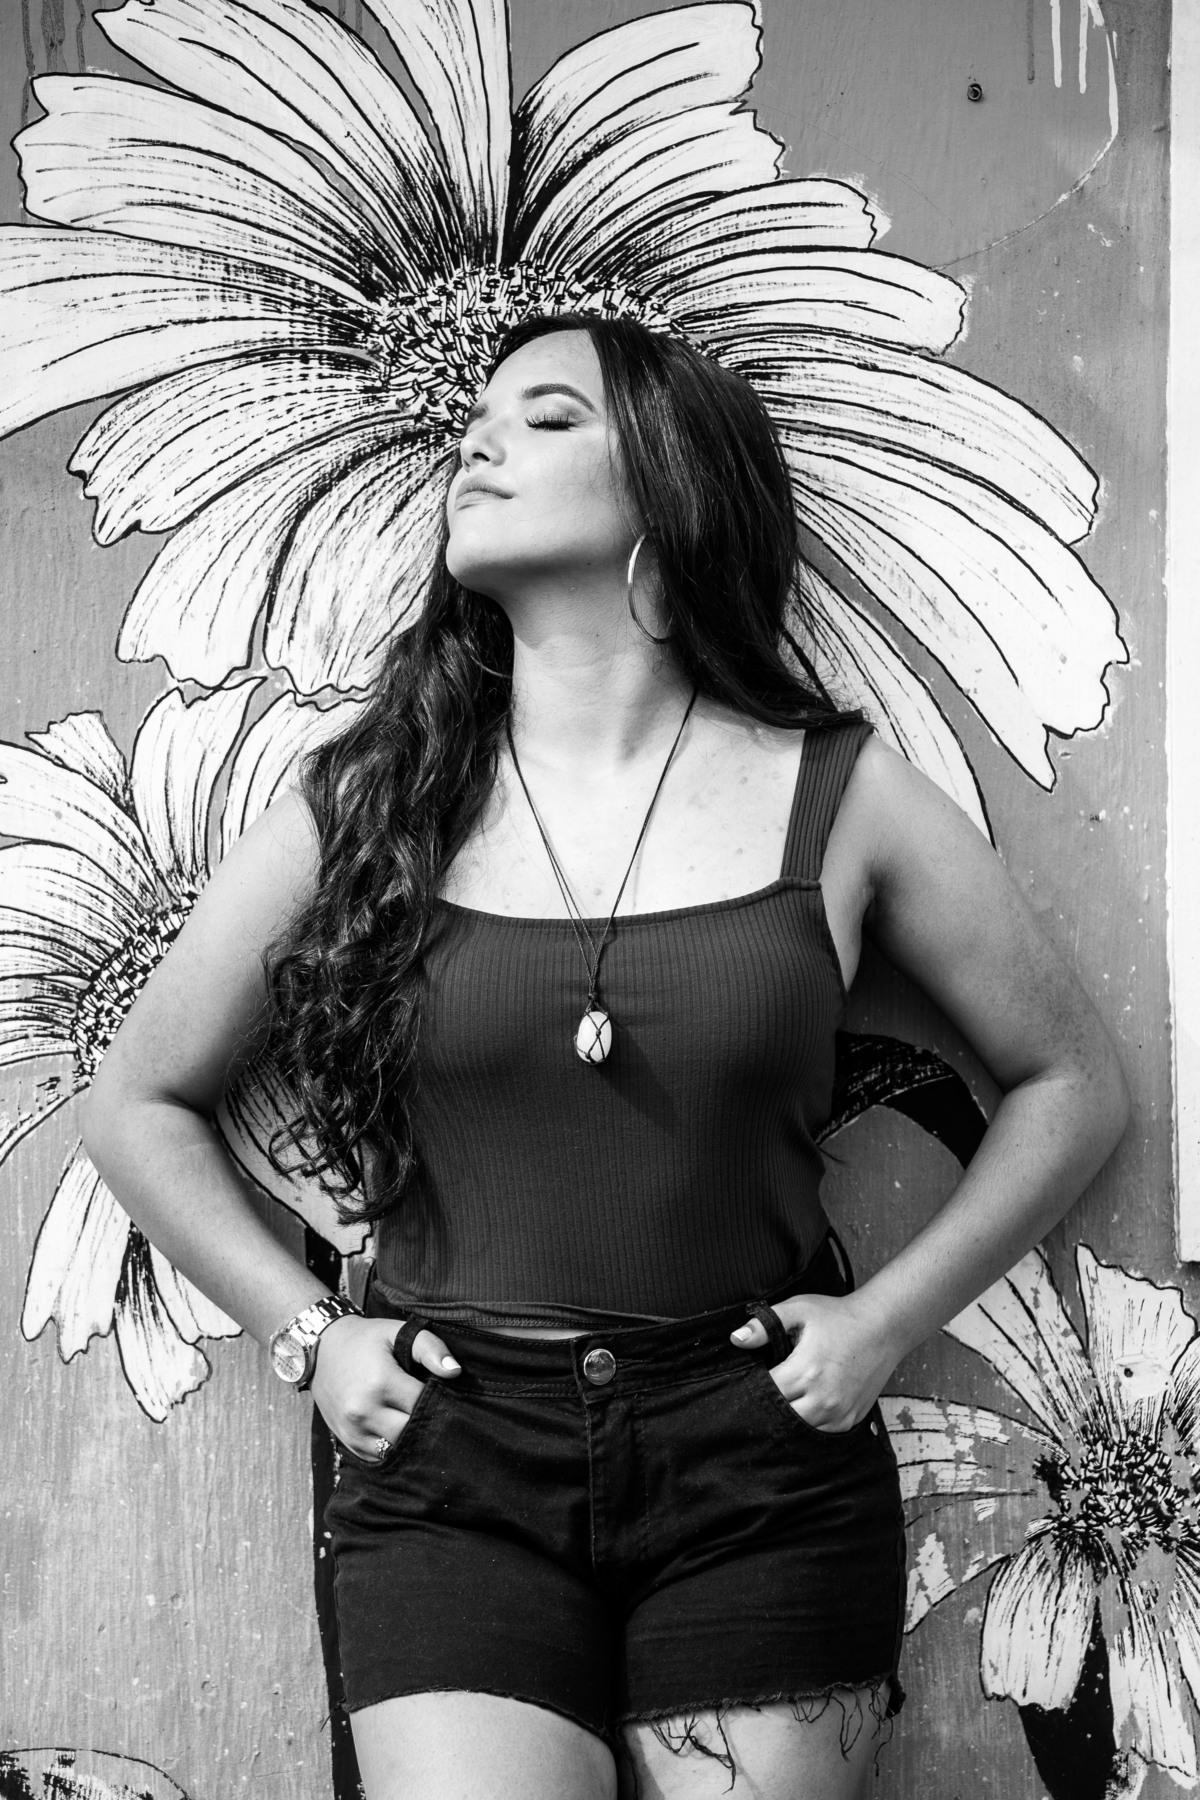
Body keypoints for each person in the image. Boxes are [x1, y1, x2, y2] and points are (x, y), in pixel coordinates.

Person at [81, 314, 1130, 1800]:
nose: (478, 441)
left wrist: (887, 1323)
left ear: (668, 485)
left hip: (758, 1452)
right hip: (450, 1454)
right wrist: (307, 1335)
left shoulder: (844, 797)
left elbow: (1073, 1086)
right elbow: (136, 1102)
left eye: (548, 416)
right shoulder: (371, 802)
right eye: (480, 420)